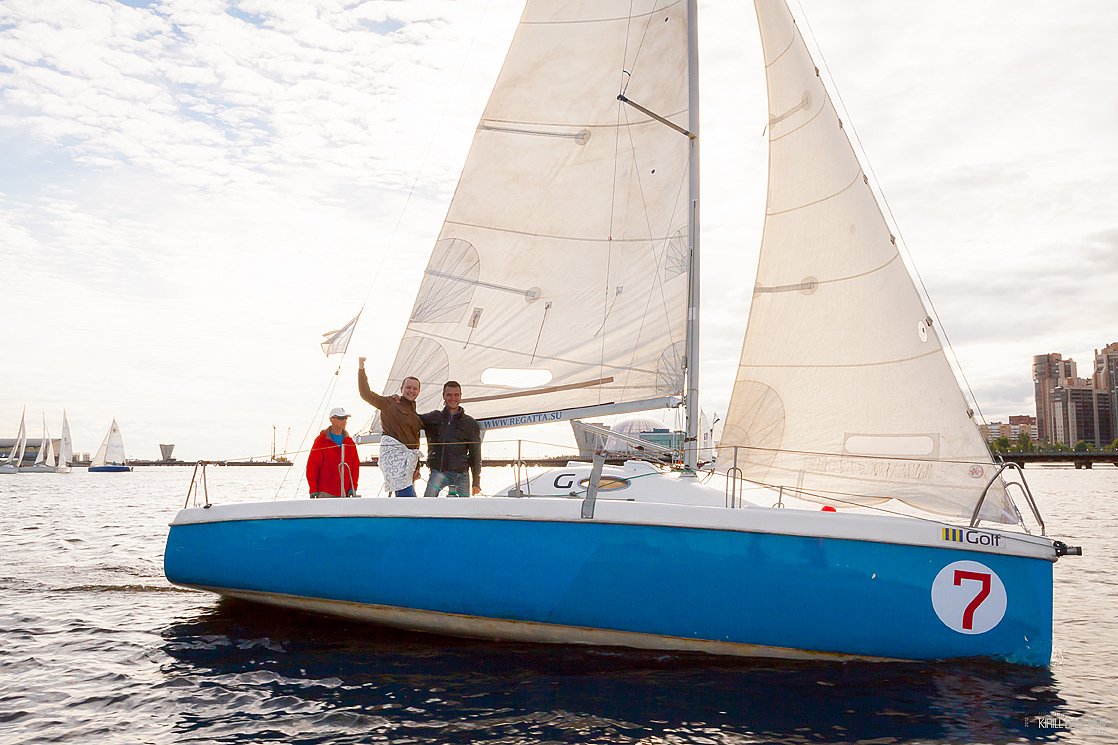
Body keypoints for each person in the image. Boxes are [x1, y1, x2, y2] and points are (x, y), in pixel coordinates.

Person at [357, 357, 422, 497]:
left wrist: (417, 466)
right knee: (408, 497)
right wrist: (361, 368)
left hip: (408, 462)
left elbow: (415, 442)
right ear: (401, 389)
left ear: (418, 391)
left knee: (406, 497)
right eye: (408, 387)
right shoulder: (390, 403)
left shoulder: (415, 414)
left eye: (415, 388)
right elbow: (365, 394)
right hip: (394, 457)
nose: (411, 390)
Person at [420, 380, 482, 497]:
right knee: (428, 501)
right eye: (449, 395)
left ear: (461, 396)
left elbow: (475, 453)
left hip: (461, 475)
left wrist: (476, 482)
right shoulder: (434, 418)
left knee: (464, 507)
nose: (453, 398)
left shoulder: (470, 423)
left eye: (456, 395)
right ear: (443, 396)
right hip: (439, 472)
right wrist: (398, 403)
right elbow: (412, 420)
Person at [306, 407, 360, 498]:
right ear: (331, 419)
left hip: (346, 492)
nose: (344, 421)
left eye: (345, 418)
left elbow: (355, 466)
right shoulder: (321, 440)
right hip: (326, 492)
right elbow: (312, 466)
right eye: (340, 418)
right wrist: (313, 489)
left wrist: (353, 487)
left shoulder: (350, 442)